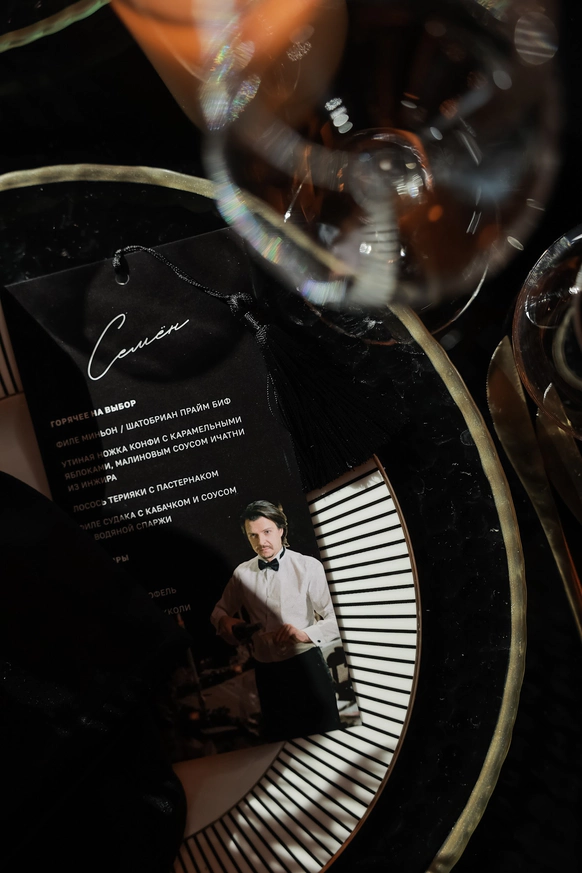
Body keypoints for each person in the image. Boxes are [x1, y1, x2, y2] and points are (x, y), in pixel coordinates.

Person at [210, 500, 342, 741]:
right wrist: (226, 621)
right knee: (283, 743)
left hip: (306, 668)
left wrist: (305, 634)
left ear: (281, 529)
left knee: (326, 737)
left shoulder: (307, 566)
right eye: (253, 535)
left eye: (267, 532)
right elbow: (218, 612)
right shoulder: (241, 573)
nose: (261, 542)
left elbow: (338, 619)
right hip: (266, 674)